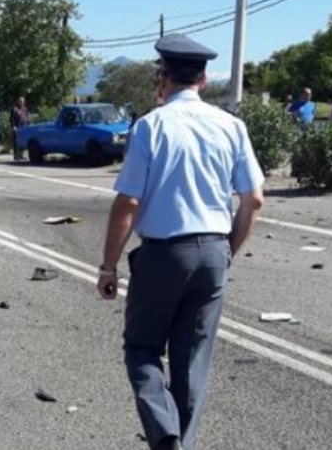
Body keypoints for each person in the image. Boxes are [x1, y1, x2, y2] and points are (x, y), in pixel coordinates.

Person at [97, 34, 264, 450]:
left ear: (163, 76)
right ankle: (179, 443)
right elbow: (254, 198)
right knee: (192, 362)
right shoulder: (232, 126)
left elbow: (129, 201)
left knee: (142, 348)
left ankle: (165, 433)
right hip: (212, 252)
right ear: (204, 79)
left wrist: (108, 265)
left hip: (163, 255)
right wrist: (226, 251)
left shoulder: (151, 126)